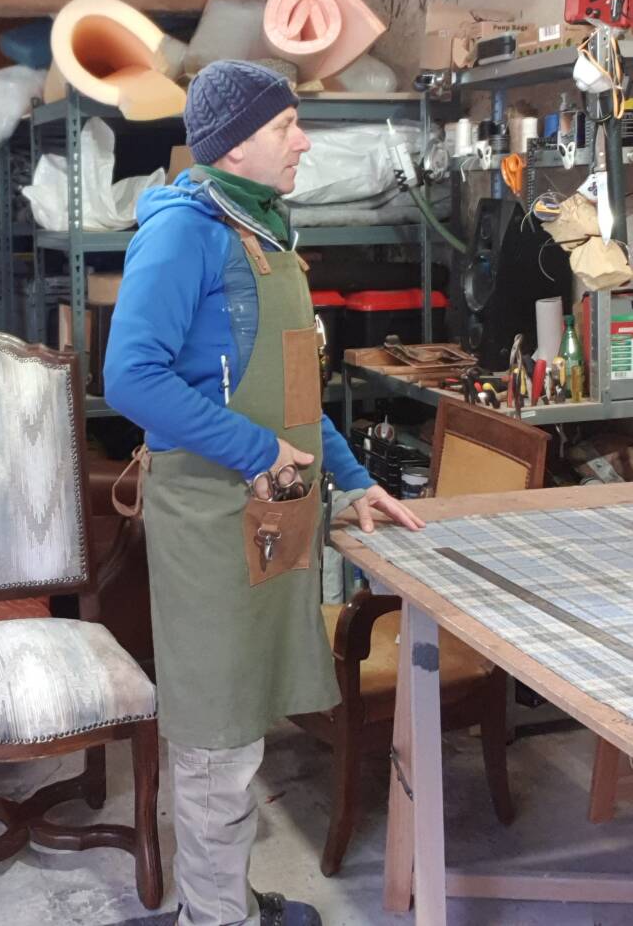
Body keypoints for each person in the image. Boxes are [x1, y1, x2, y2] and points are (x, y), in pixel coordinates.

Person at [104, 59, 424, 926]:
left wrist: (351, 480)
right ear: (237, 143)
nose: (302, 141)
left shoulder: (264, 232)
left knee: (241, 720)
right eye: (286, 126)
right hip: (211, 516)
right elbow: (130, 376)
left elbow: (292, 395)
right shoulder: (184, 232)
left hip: (263, 507)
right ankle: (216, 917)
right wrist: (255, 452)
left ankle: (224, 900)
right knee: (216, 730)